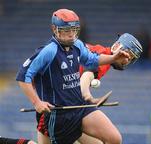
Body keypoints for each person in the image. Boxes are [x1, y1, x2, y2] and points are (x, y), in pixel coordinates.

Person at [16, 8, 139, 144]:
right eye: (66, 31)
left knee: (114, 139)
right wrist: (37, 102)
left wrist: (113, 58)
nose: (71, 34)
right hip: (59, 116)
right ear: (55, 29)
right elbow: (23, 76)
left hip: (80, 107)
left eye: (74, 30)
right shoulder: (49, 51)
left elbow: (92, 60)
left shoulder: (77, 44)